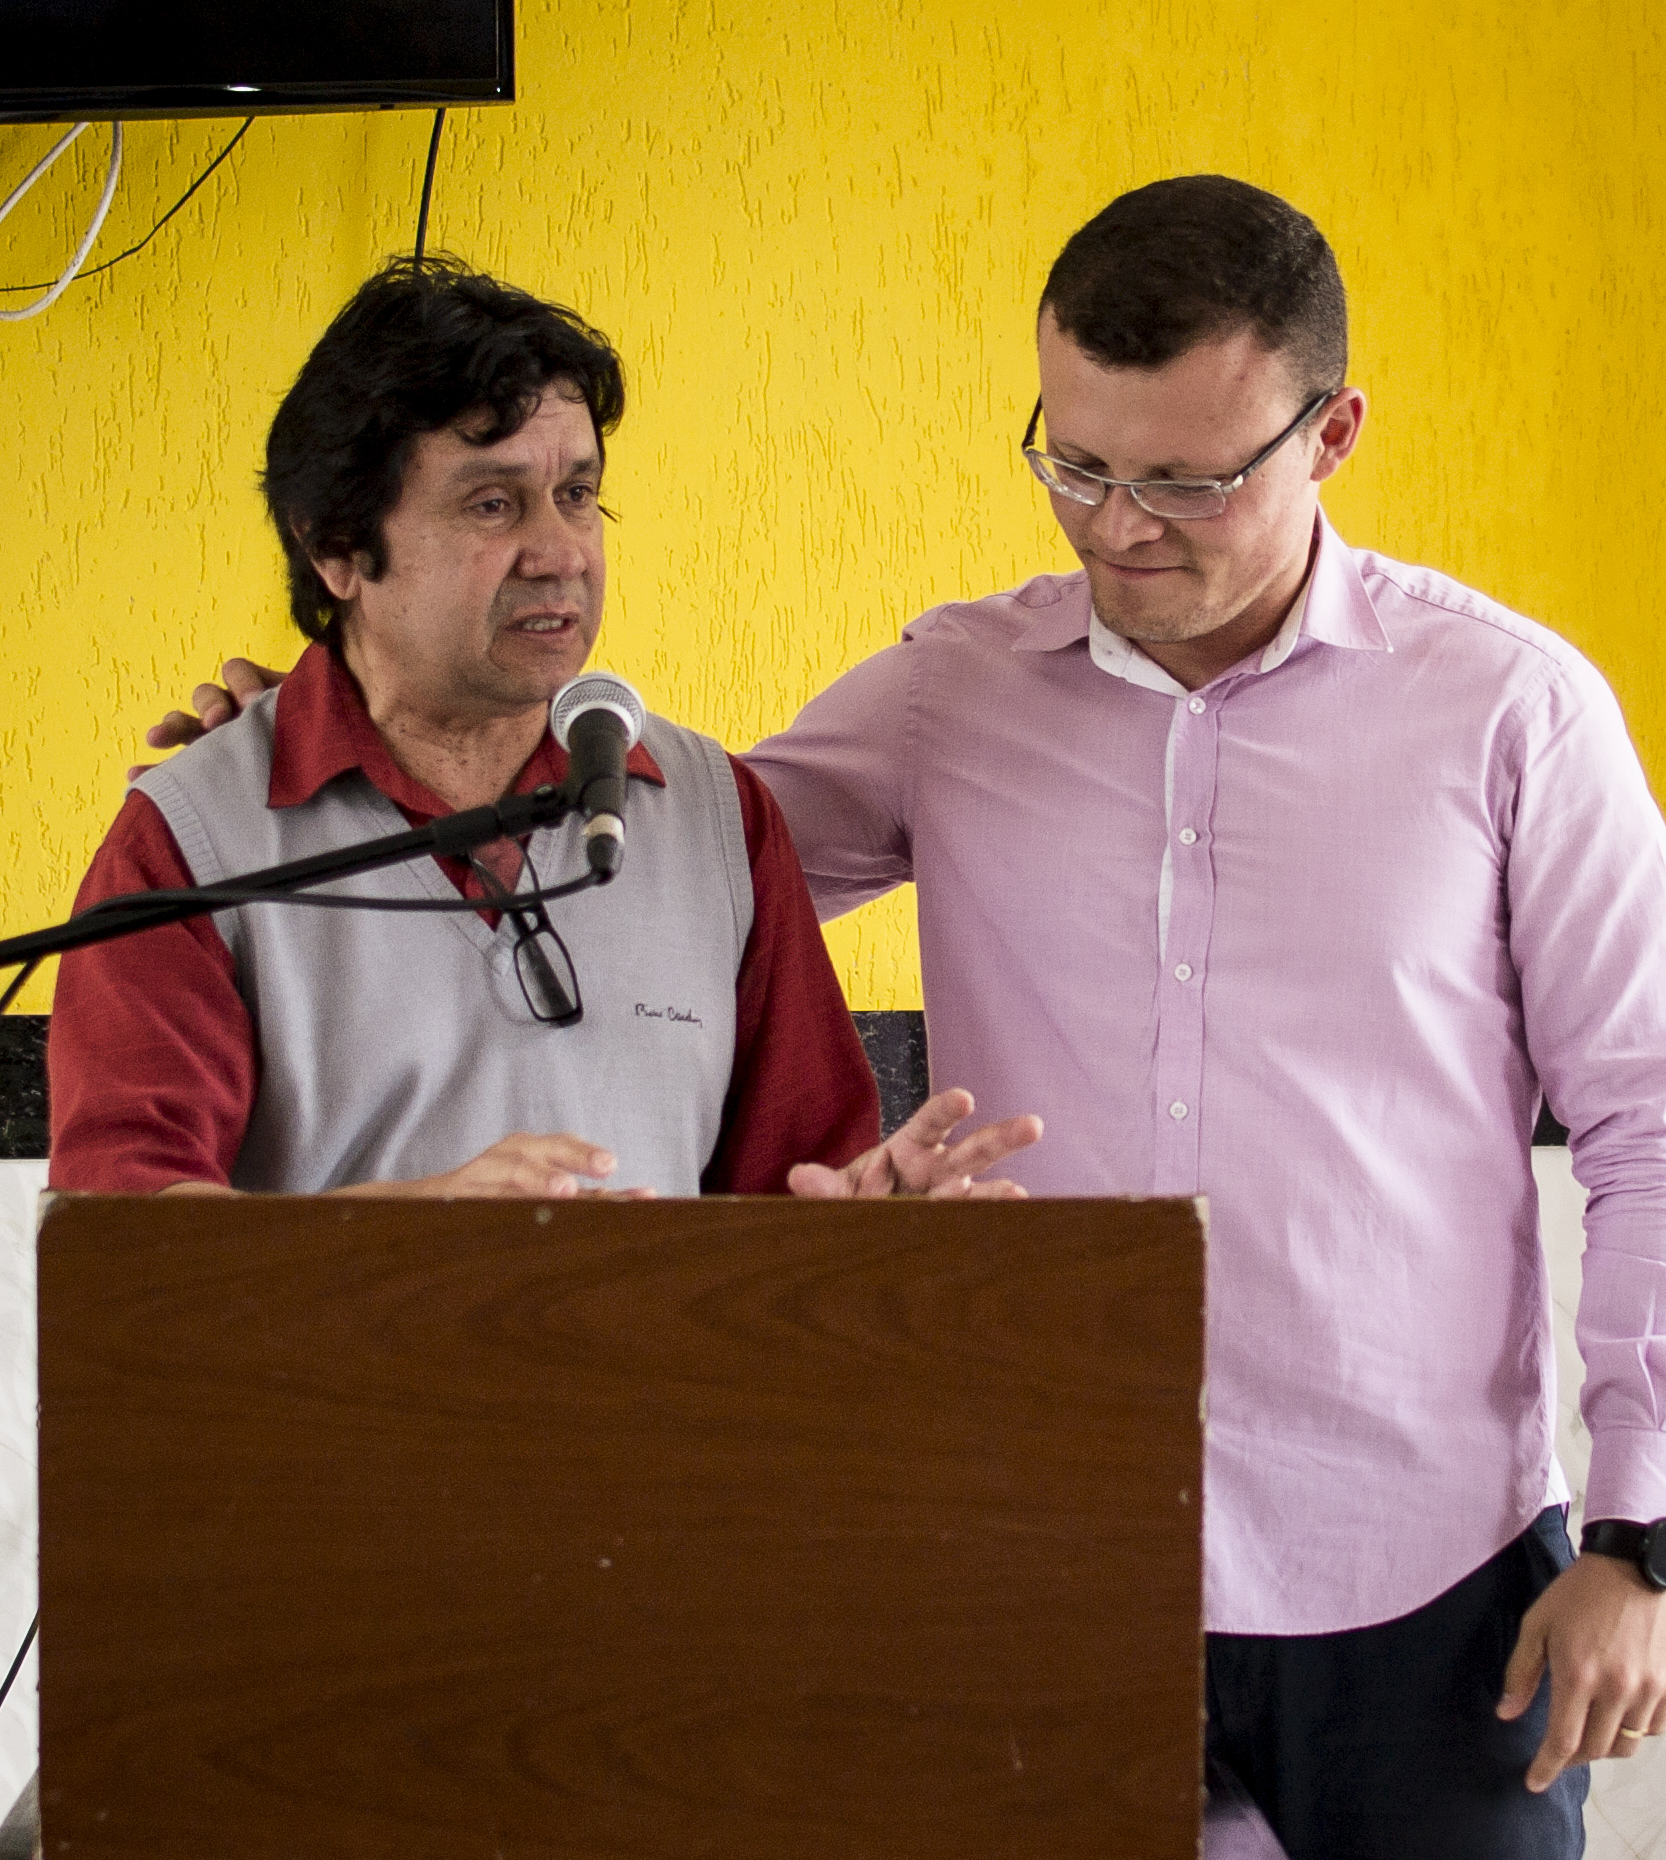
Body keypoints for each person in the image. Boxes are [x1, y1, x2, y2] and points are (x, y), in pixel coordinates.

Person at [142, 180, 1666, 1859]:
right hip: (1039, 1562)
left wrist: (1640, 1536)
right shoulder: (957, 690)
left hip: (1421, 1581)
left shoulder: (1513, 714)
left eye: (1184, 481)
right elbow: (662, 850)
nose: (1118, 527)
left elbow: (1649, 1120)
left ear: (1334, 433)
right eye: (1075, 464)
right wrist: (325, 734)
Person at [48, 256, 1038, 1207]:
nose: (561, 552)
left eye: (577, 494)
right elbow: (123, 1242)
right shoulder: (192, 839)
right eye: (493, 504)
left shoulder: (716, 815)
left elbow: (800, 1190)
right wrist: (407, 1235)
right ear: (337, 547)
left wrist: (864, 1222)